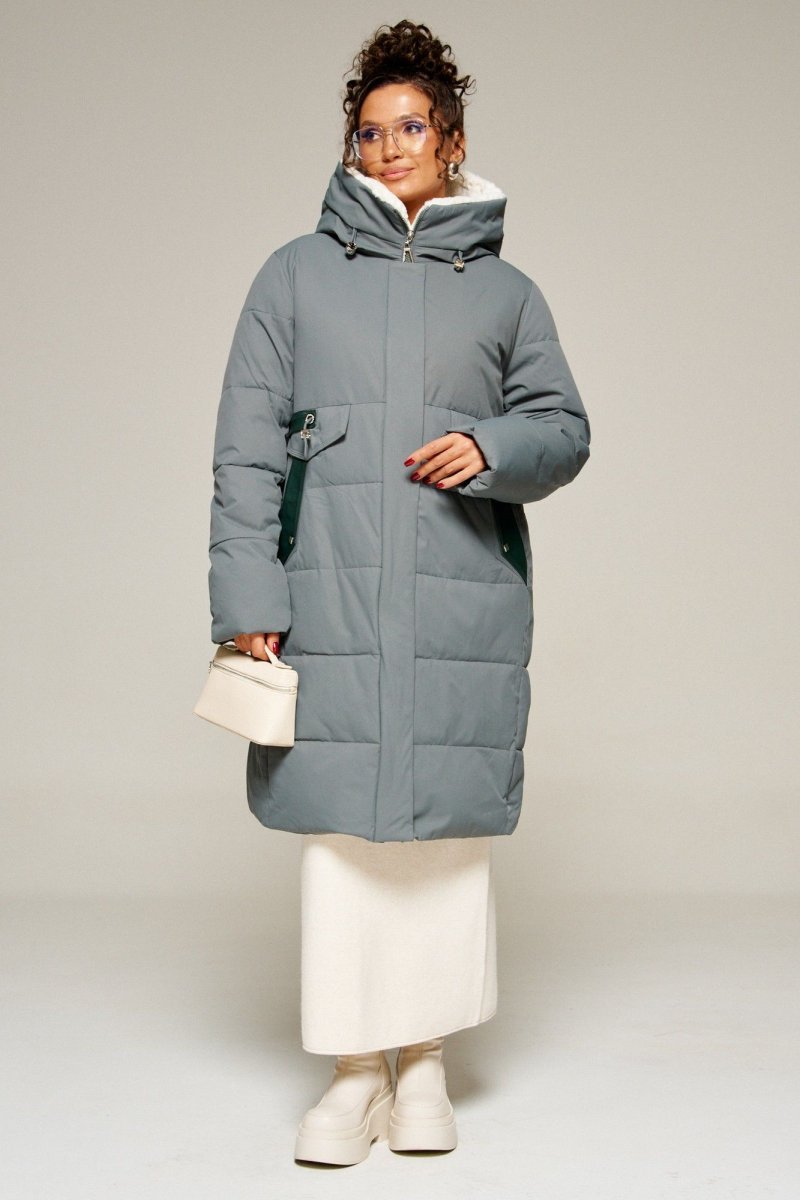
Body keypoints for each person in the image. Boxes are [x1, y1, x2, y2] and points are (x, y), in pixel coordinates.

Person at [207, 19, 590, 1167]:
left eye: (409, 128)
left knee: (441, 846)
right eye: (367, 133)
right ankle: (349, 1073)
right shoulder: (291, 276)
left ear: (451, 141)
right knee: (342, 847)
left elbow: (562, 429)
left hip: (459, 601)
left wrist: (490, 448)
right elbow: (244, 450)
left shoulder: (507, 295)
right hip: (326, 602)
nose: (386, 149)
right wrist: (246, 592)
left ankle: (421, 1066)